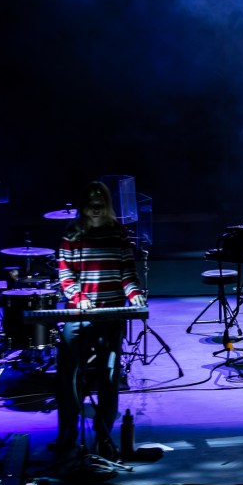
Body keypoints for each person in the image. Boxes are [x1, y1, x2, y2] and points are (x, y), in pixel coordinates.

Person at [55, 181, 146, 460]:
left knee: (108, 378)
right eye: (90, 203)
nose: (95, 208)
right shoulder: (72, 235)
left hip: (111, 315)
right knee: (69, 376)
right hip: (79, 314)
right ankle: (68, 436)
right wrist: (79, 297)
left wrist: (134, 295)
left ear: (106, 206)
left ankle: (104, 437)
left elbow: (127, 272)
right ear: (83, 207)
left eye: (100, 203)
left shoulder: (118, 234)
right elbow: (65, 274)